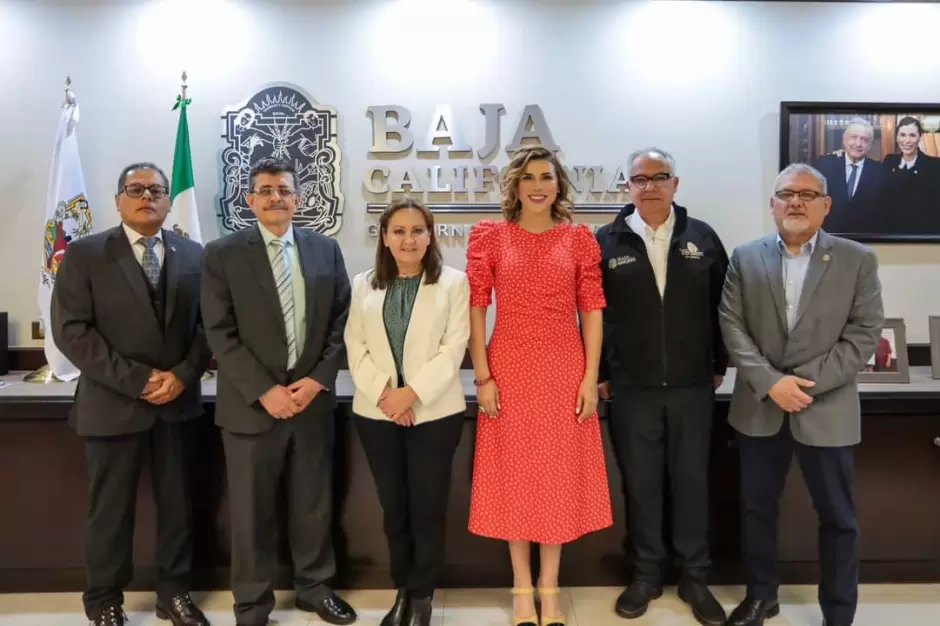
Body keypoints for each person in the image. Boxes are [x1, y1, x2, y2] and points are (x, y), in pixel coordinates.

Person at [719, 163, 884, 626]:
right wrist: (772, 382)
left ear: (826, 205)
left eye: (808, 194)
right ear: (772, 204)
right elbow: (732, 327)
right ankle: (761, 597)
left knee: (838, 517)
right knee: (756, 509)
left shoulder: (857, 259)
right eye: (787, 193)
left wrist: (803, 382)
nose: (796, 202)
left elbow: (864, 334)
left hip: (826, 408)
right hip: (760, 406)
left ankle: (838, 612)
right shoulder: (745, 258)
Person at [50, 163, 212, 626]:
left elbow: (209, 327)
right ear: (118, 199)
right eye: (136, 189)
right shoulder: (84, 254)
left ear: (167, 200)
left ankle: (174, 595)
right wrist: (138, 379)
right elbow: (72, 332)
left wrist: (182, 374)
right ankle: (104, 600)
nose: (148, 197)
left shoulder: (194, 253)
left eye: (157, 190)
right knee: (110, 512)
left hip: (177, 403)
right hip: (112, 403)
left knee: (179, 506)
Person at [201, 157, 356, 626]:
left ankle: (315, 588)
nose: (275, 197)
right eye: (265, 190)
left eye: (284, 190)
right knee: (251, 513)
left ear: (298, 199)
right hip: (251, 407)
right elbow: (219, 331)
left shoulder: (325, 250)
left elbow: (342, 321)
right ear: (250, 200)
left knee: (313, 504)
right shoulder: (222, 253)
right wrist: (265, 390)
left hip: (311, 402)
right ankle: (251, 603)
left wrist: (316, 381)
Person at [465, 144, 612, 626]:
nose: (537, 185)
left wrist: (590, 377)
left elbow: (591, 310)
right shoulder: (491, 237)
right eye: (528, 177)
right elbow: (476, 309)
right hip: (508, 366)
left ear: (558, 184)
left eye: (546, 176)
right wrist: (482, 375)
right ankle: (521, 589)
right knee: (516, 475)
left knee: (556, 477)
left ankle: (550, 588)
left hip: (564, 367)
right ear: (515, 185)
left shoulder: (578, 240)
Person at [595, 148, 728, 625]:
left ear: (676, 183)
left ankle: (695, 576)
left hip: (693, 385)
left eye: (660, 176)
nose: (649, 185)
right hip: (631, 388)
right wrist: (602, 375)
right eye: (639, 178)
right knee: (642, 483)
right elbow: (594, 316)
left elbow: (723, 306)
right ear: (626, 186)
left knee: (691, 481)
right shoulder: (606, 241)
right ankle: (647, 573)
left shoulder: (702, 238)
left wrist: (721, 362)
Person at [344, 198, 470, 626]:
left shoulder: (454, 283)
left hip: (434, 414)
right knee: (394, 506)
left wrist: (411, 394)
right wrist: (386, 394)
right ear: (384, 237)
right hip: (377, 414)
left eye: (418, 230)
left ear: (430, 235)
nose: (408, 239)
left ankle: (423, 596)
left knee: (427, 505)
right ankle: (402, 590)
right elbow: (354, 345)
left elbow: (453, 350)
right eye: (398, 231)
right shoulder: (364, 283)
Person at [812, 117, 885, 235]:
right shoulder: (824, 165)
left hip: (867, 239)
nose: (858, 144)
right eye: (853, 137)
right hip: (829, 238)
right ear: (844, 139)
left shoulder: (880, 171)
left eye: (864, 139)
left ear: (870, 145)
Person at [880, 116, 940, 235]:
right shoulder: (889, 161)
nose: (907, 140)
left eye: (912, 135)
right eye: (902, 135)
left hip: (923, 236)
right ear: (897, 137)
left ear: (920, 137)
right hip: (891, 235)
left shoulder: (934, 165)